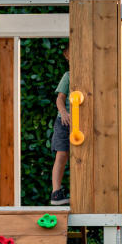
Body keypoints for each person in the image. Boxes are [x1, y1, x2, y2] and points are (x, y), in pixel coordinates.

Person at [49, 44, 72, 206]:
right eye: (68, 60)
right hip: (65, 121)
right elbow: (60, 99)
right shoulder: (68, 76)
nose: (70, 62)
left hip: (83, 123)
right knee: (62, 155)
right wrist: (64, 113)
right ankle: (56, 193)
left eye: (72, 59)